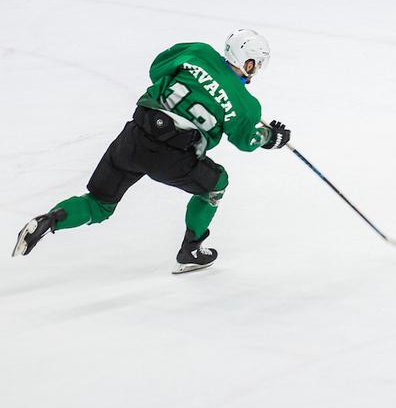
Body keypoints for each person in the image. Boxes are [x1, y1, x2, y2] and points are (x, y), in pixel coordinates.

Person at [12, 29, 292, 273]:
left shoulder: (197, 52)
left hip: (134, 137)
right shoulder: (246, 105)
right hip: (174, 158)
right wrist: (272, 136)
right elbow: (247, 141)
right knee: (216, 184)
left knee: (98, 203)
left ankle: (49, 220)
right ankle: (191, 251)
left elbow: (157, 69)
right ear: (250, 62)